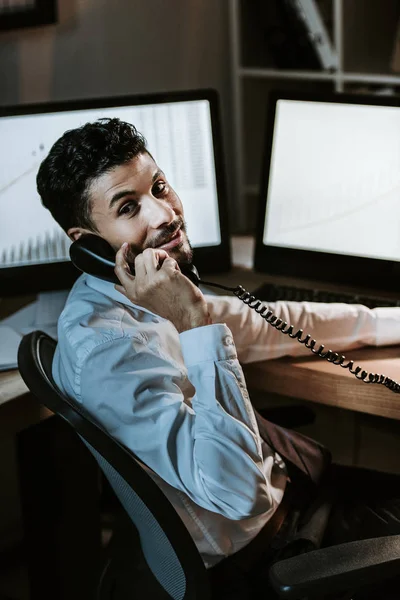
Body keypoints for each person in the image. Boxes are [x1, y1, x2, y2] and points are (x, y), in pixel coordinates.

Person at [37, 118, 400, 598]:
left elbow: (277, 321)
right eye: (129, 207)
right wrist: (195, 325)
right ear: (88, 244)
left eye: (160, 187)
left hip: (301, 499)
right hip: (270, 554)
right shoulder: (108, 354)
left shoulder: (146, 291)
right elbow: (238, 493)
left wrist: (389, 321)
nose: (164, 213)